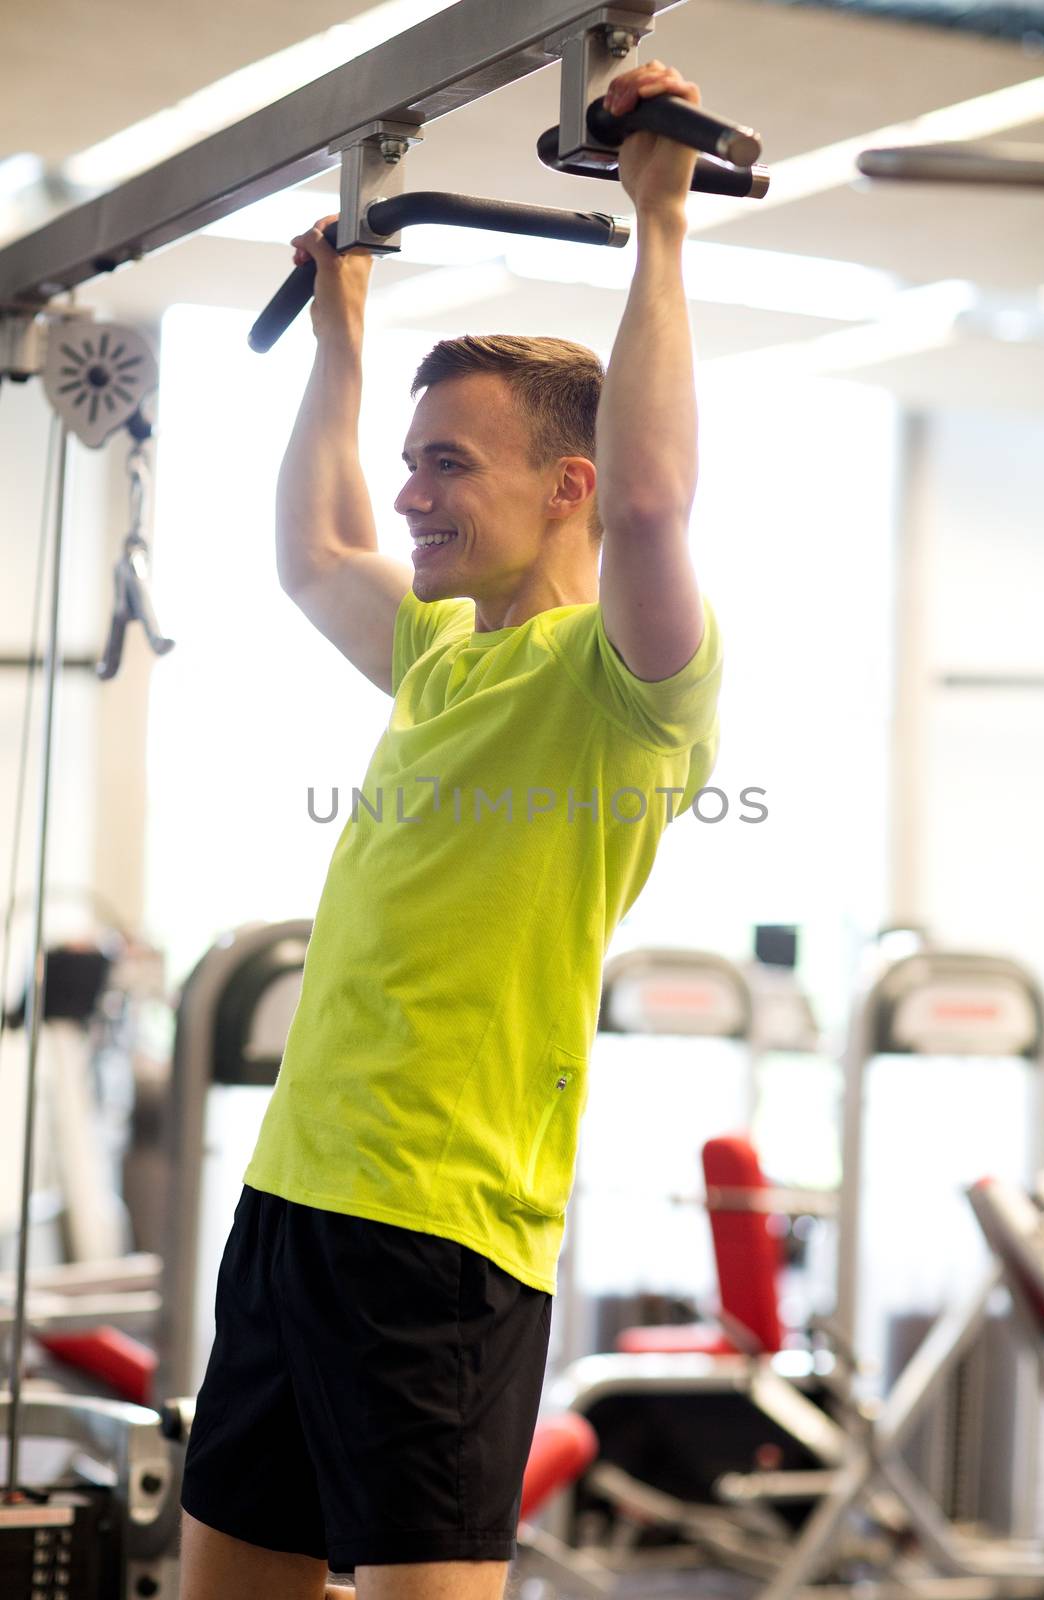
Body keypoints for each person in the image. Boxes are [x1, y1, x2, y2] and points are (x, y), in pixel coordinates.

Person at [178, 58, 723, 1600]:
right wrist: (341, 334)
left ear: (567, 485)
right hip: (295, 1203)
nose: (410, 497)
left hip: (440, 1238)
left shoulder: (625, 684)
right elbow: (311, 551)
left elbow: (657, 506)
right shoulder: (439, 656)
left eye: (447, 464)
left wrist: (661, 225)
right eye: (414, 462)